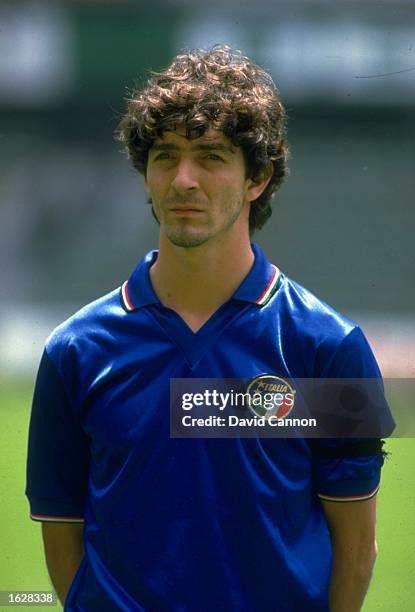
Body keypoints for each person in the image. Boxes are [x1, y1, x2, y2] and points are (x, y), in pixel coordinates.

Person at [26, 45, 391, 611]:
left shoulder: (330, 348)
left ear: (258, 177)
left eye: (212, 156)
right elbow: (62, 534)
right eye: (165, 156)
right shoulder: (75, 352)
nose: (183, 180)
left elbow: (357, 545)